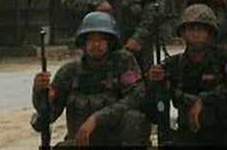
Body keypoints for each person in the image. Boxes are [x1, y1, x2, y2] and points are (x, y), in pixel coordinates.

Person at [146, 4, 227, 147]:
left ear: (210, 33)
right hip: (192, 132)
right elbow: (152, 110)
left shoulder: (224, 57)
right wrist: (154, 83)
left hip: (224, 132)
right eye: (191, 29)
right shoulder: (173, 65)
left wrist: (204, 99)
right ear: (182, 33)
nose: (196, 34)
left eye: (201, 29)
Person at [31, 11, 149, 147]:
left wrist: (97, 119)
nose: (96, 45)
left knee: (134, 119)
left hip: (117, 141)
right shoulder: (69, 72)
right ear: (83, 43)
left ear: (110, 43)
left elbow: (136, 96)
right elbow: (49, 114)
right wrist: (39, 91)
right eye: (91, 40)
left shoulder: (123, 62)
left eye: (101, 40)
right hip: (81, 142)